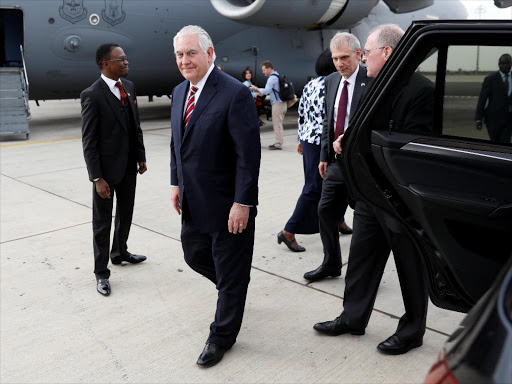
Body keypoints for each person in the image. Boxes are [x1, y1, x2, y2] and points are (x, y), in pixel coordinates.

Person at [314, 24, 430, 356]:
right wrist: (345, 139)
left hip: (400, 199)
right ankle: (352, 319)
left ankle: (412, 331)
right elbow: (361, 127)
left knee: (409, 265)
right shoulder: (373, 85)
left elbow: (412, 147)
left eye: (367, 51)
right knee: (362, 258)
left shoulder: (420, 91)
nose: (362, 57)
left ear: (388, 53)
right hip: (369, 192)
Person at [170, 25, 261, 368]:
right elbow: (176, 143)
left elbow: (247, 156)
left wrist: (243, 203)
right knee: (194, 255)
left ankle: (221, 336)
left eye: (191, 52)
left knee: (230, 270)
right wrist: (176, 182)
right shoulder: (180, 91)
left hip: (228, 204)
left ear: (209, 54)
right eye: (179, 54)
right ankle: (233, 289)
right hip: (193, 199)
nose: (185, 60)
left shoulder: (234, 93)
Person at [81, 43, 147, 297]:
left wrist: (140, 156)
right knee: (102, 223)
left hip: (129, 167)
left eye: (126, 58)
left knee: (126, 213)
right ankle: (101, 272)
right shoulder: (92, 94)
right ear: (106, 64)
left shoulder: (128, 87)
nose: (126, 62)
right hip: (106, 173)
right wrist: (97, 177)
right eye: (121, 59)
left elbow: (135, 126)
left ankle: (120, 252)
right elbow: (89, 141)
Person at [303, 32, 368, 281]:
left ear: (358, 55)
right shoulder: (331, 80)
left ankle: (363, 273)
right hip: (336, 163)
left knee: (366, 222)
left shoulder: (371, 80)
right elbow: (328, 121)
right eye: (335, 58)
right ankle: (331, 263)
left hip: (363, 165)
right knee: (325, 211)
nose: (340, 63)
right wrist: (324, 155)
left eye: (345, 57)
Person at [277, 50, 352, 253]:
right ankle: (289, 231)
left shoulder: (310, 84)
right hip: (324, 142)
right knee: (315, 187)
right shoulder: (333, 84)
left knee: (335, 183)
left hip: (310, 141)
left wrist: (301, 139)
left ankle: (339, 220)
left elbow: (302, 114)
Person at [250, 61, 288, 150]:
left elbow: (266, 91)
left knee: (277, 124)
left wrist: (255, 88)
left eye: (264, 70)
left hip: (277, 104)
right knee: (279, 123)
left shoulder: (272, 78)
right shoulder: (277, 76)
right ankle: (278, 142)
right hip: (282, 103)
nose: (263, 72)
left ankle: (278, 144)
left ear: (269, 68)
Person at [475, 53, 512, 143]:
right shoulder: (490, 79)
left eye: (507, 63)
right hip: (493, 119)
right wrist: (478, 118)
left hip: (509, 119)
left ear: (511, 64)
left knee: (505, 143)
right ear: (499, 65)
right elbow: (482, 99)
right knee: (494, 142)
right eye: (502, 63)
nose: (505, 66)